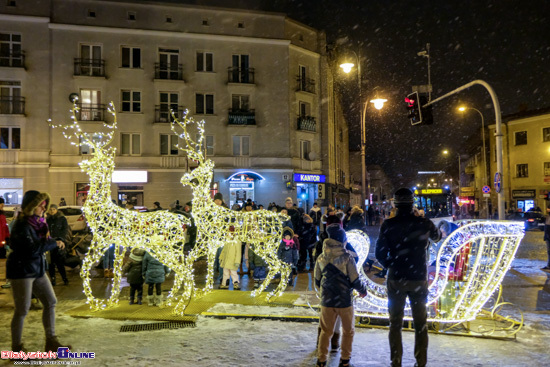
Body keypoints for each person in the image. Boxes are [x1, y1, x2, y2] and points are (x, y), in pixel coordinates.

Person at [375, 188, 441, 367]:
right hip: (418, 277)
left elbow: (379, 252)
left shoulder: (388, 225)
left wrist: (391, 265)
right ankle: (421, 362)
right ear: (413, 203)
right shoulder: (424, 223)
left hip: (396, 278)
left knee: (395, 323)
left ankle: (396, 361)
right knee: (421, 323)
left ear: (395, 204)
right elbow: (437, 237)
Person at [7, 190, 71, 352]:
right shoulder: (22, 225)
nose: (44, 209)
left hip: (37, 269)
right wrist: (53, 244)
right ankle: (17, 349)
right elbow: (32, 249)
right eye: (41, 206)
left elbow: (44, 242)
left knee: (50, 301)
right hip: (22, 271)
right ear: (31, 207)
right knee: (22, 309)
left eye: (44, 206)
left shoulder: (39, 224)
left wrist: (56, 241)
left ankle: (51, 342)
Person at [315, 223, 367, 367]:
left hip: (327, 300)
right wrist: (363, 290)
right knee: (348, 330)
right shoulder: (347, 257)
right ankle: (344, 360)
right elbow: (355, 278)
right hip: (344, 300)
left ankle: (321, 360)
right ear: (342, 239)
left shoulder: (321, 257)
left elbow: (317, 280)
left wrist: (325, 292)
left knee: (326, 331)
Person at [45, 204, 70, 286]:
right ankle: (52, 279)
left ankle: (64, 278)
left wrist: (61, 239)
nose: (52, 211)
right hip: (50, 242)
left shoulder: (61, 219)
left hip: (59, 242)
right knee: (50, 262)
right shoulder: (47, 219)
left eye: (53, 209)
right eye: (50, 209)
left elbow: (65, 230)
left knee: (59, 262)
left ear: (57, 210)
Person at [219, 225, 242, 290]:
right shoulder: (227, 241)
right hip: (226, 260)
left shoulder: (237, 241)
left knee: (233, 272)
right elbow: (224, 250)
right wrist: (221, 257)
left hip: (232, 261)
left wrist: (237, 261)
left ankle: (235, 283)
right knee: (225, 272)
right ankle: (225, 283)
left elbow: (238, 252)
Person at [543, 206, 550, 272]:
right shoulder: (547, 217)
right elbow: (546, 227)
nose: (547, 209)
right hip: (548, 237)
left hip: (548, 236)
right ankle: (548, 265)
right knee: (549, 252)